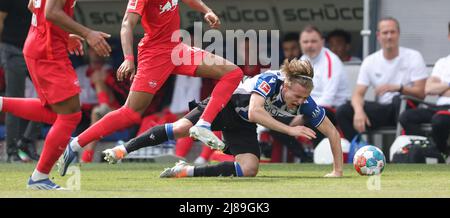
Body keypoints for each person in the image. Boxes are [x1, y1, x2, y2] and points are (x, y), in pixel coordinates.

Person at [58, 0, 244, 176]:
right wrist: (128, 58)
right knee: (130, 113)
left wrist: (206, 10)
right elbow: (127, 24)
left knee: (233, 72)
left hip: (177, 50)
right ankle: (75, 144)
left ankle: (204, 125)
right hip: (154, 55)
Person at [0, 0, 112, 190]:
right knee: (70, 115)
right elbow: (50, 11)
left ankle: (1, 103)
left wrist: (66, 33)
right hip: (47, 50)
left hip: (38, 44)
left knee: (55, 113)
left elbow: (32, 5)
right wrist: (87, 33)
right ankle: (38, 177)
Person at [103, 59, 343, 178]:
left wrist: (337, 171)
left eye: (305, 98)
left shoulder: (306, 101)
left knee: (249, 170)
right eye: (298, 96)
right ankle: (123, 149)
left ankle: (186, 171)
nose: (301, 102)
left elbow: (332, 132)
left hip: (243, 125)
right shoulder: (270, 80)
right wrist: (290, 130)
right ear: (287, 84)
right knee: (180, 128)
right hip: (225, 105)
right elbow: (254, 111)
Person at [336, 17, 428, 141]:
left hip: (405, 108)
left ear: (398, 34)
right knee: (344, 111)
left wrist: (398, 88)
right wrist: (358, 111)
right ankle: (360, 151)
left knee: (398, 100)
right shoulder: (370, 61)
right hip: (382, 110)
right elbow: (357, 94)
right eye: (385, 33)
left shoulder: (413, 57)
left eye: (392, 32)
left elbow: (421, 93)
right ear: (378, 36)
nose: (389, 36)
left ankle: (404, 151)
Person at [0, 0, 42, 163]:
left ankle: (27, 141)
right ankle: (11, 150)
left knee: (49, 99)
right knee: (15, 100)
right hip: (13, 50)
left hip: (37, 52)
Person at [399, 22, 450, 160]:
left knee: (439, 120)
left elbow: (435, 88)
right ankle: (427, 148)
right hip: (438, 107)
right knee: (406, 117)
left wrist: (440, 87)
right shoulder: (443, 62)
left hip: (444, 113)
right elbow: (428, 88)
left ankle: (440, 152)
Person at [299, 25, 350, 125]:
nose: (309, 45)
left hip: (334, 109)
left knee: (313, 117)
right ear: (300, 44)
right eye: (305, 42)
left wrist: (304, 114)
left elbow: (328, 98)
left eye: (313, 41)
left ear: (322, 42)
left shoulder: (332, 60)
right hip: (308, 108)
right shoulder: (302, 60)